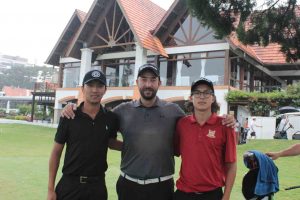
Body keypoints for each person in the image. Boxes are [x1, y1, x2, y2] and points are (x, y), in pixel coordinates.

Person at [61, 64, 236, 200]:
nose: (148, 84)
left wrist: (226, 119)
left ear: (159, 83)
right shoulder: (122, 110)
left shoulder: (174, 111)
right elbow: (104, 133)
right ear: (137, 82)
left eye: (153, 80)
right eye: (144, 79)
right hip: (128, 185)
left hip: (161, 187)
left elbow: (198, 119)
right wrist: (73, 107)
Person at [47, 70, 122, 200]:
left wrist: (136, 146)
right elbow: (56, 153)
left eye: (99, 86)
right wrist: (50, 189)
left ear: (105, 90)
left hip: (97, 187)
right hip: (70, 185)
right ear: (82, 89)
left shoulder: (110, 118)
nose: (95, 90)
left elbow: (110, 142)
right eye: (90, 85)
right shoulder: (69, 116)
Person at [174, 77, 237, 200]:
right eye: (197, 93)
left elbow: (232, 164)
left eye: (207, 93)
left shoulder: (225, 125)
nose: (202, 97)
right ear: (191, 98)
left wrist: (227, 196)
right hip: (183, 193)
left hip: (212, 194)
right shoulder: (181, 124)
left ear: (213, 98)